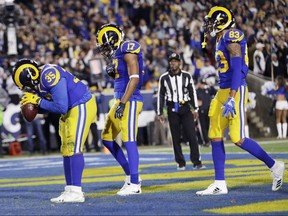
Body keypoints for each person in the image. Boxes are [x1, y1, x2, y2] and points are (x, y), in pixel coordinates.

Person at [196, 6, 285, 196]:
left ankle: (275, 166)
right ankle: (220, 183)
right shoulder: (220, 38)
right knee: (215, 133)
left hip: (234, 90)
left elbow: (237, 68)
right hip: (223, 90)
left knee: (237, 138)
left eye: (212, 21)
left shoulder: (231, 37)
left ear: (221, 22)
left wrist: (232, 97)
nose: (209, 25)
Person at [12, 58, 97, 203]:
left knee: (74, 148)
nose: (27, 89)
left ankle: (77, 191)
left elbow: (61, 106)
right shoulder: (40, 79)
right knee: (66, 149)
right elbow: (52, 107)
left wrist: (37, 101)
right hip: (70, 109)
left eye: (26, 85)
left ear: (30, 75)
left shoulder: (49, 75)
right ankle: (70, 189)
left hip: (81, 105)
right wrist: (33, 105)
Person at [96, 23, 143, 195]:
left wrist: (123, 103)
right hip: (120, 99)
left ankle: (135, 183)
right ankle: (130, 175)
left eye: (106, 45)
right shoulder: (118, 53)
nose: (105, 49)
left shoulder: (128, 47)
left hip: (130, 100)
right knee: (107, 138)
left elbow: (135, 78)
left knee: (129, 139)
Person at [157, 52, 204, 170]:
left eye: (175, 61)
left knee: (192, 135)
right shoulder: (164, 77)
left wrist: (195, 108)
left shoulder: (187, 76)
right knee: (175, 137)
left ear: (180, 62)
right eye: (171, 61)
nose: (173, 63)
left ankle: (196, 161)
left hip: (185, 108)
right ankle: (180, 162)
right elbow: (161, 95)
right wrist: (160, 112)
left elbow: (192, 92)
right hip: (172, 108)